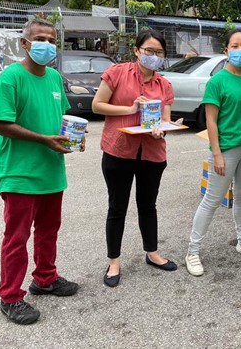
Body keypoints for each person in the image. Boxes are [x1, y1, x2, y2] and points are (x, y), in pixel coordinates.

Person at [0, 18, 80, 325]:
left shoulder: (53, 77)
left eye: (52, 40)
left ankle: (45, 278)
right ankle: (10, 296)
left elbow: (59, 116)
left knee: (49, 230)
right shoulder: (10, 78)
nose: (47, 45)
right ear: (24, 43)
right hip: (19, 172)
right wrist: (43, 139)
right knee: (17, 237)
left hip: (51, 169)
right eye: (40, 38)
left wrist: (71, 137)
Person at [92, 29, 177, 288]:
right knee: (117, 207)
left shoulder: (164, 84)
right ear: (137, 50)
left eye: (159, 52)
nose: (153, 56)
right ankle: (114, 260)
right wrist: (130, 109)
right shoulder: (117, 73)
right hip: (119, 150)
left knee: (148, 205)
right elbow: (97, 105)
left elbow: (165, 118)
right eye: (148, 51)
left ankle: (152, 252)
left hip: (152, 153)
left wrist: (163, 128)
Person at [185, 30, 241, 276]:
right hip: (226, 149)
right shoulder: (217, 81)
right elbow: (211, 121)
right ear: (227, 50)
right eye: (235, 45)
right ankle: (193, 251)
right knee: (212, 199)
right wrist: (217, 154)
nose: (240, 50)